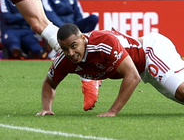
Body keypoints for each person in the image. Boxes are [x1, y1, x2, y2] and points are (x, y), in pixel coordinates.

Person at [36, 23, 184, 117]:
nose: (70, 53)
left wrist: (112, 111)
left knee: (181, 91)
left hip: (151, 52)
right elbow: (49, 83)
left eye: (73, 46)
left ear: (83, 38)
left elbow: (132, 76)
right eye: (65, 49)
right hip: (141, 69)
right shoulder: (64, 59)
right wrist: (46, 108)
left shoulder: (102, 43)